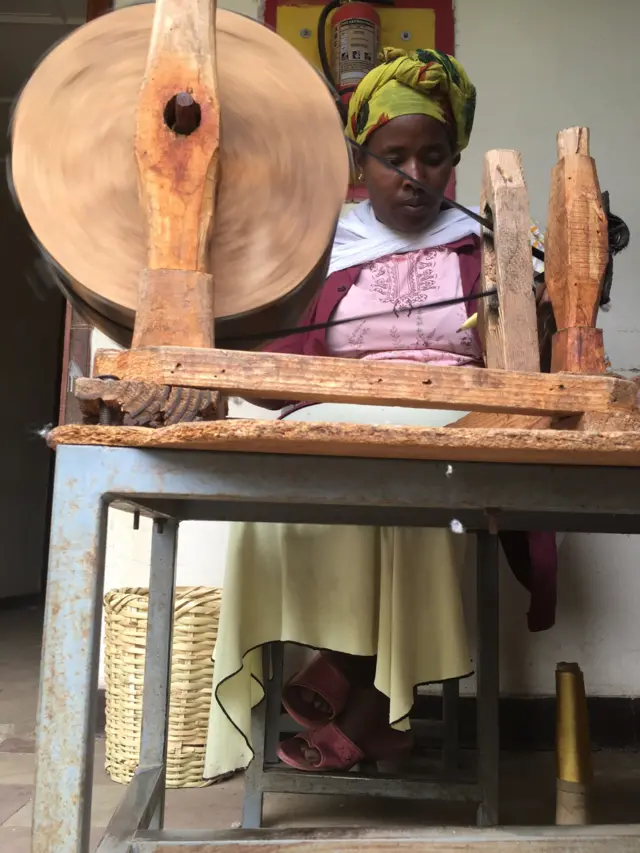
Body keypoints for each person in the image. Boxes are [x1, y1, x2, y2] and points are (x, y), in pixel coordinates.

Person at [204, 47, 557, 778]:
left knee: (416, 480)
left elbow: (527, 365)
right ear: (360, 159)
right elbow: (281, 359)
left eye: (434, 156)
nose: (415, 175)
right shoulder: (322, 244)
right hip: (339, 418)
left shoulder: (490, 243)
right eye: (393, 155)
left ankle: (357, 693)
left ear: (455, 158)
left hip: (453, 426)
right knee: (281, 494)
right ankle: (369, 705)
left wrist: (539, 301)